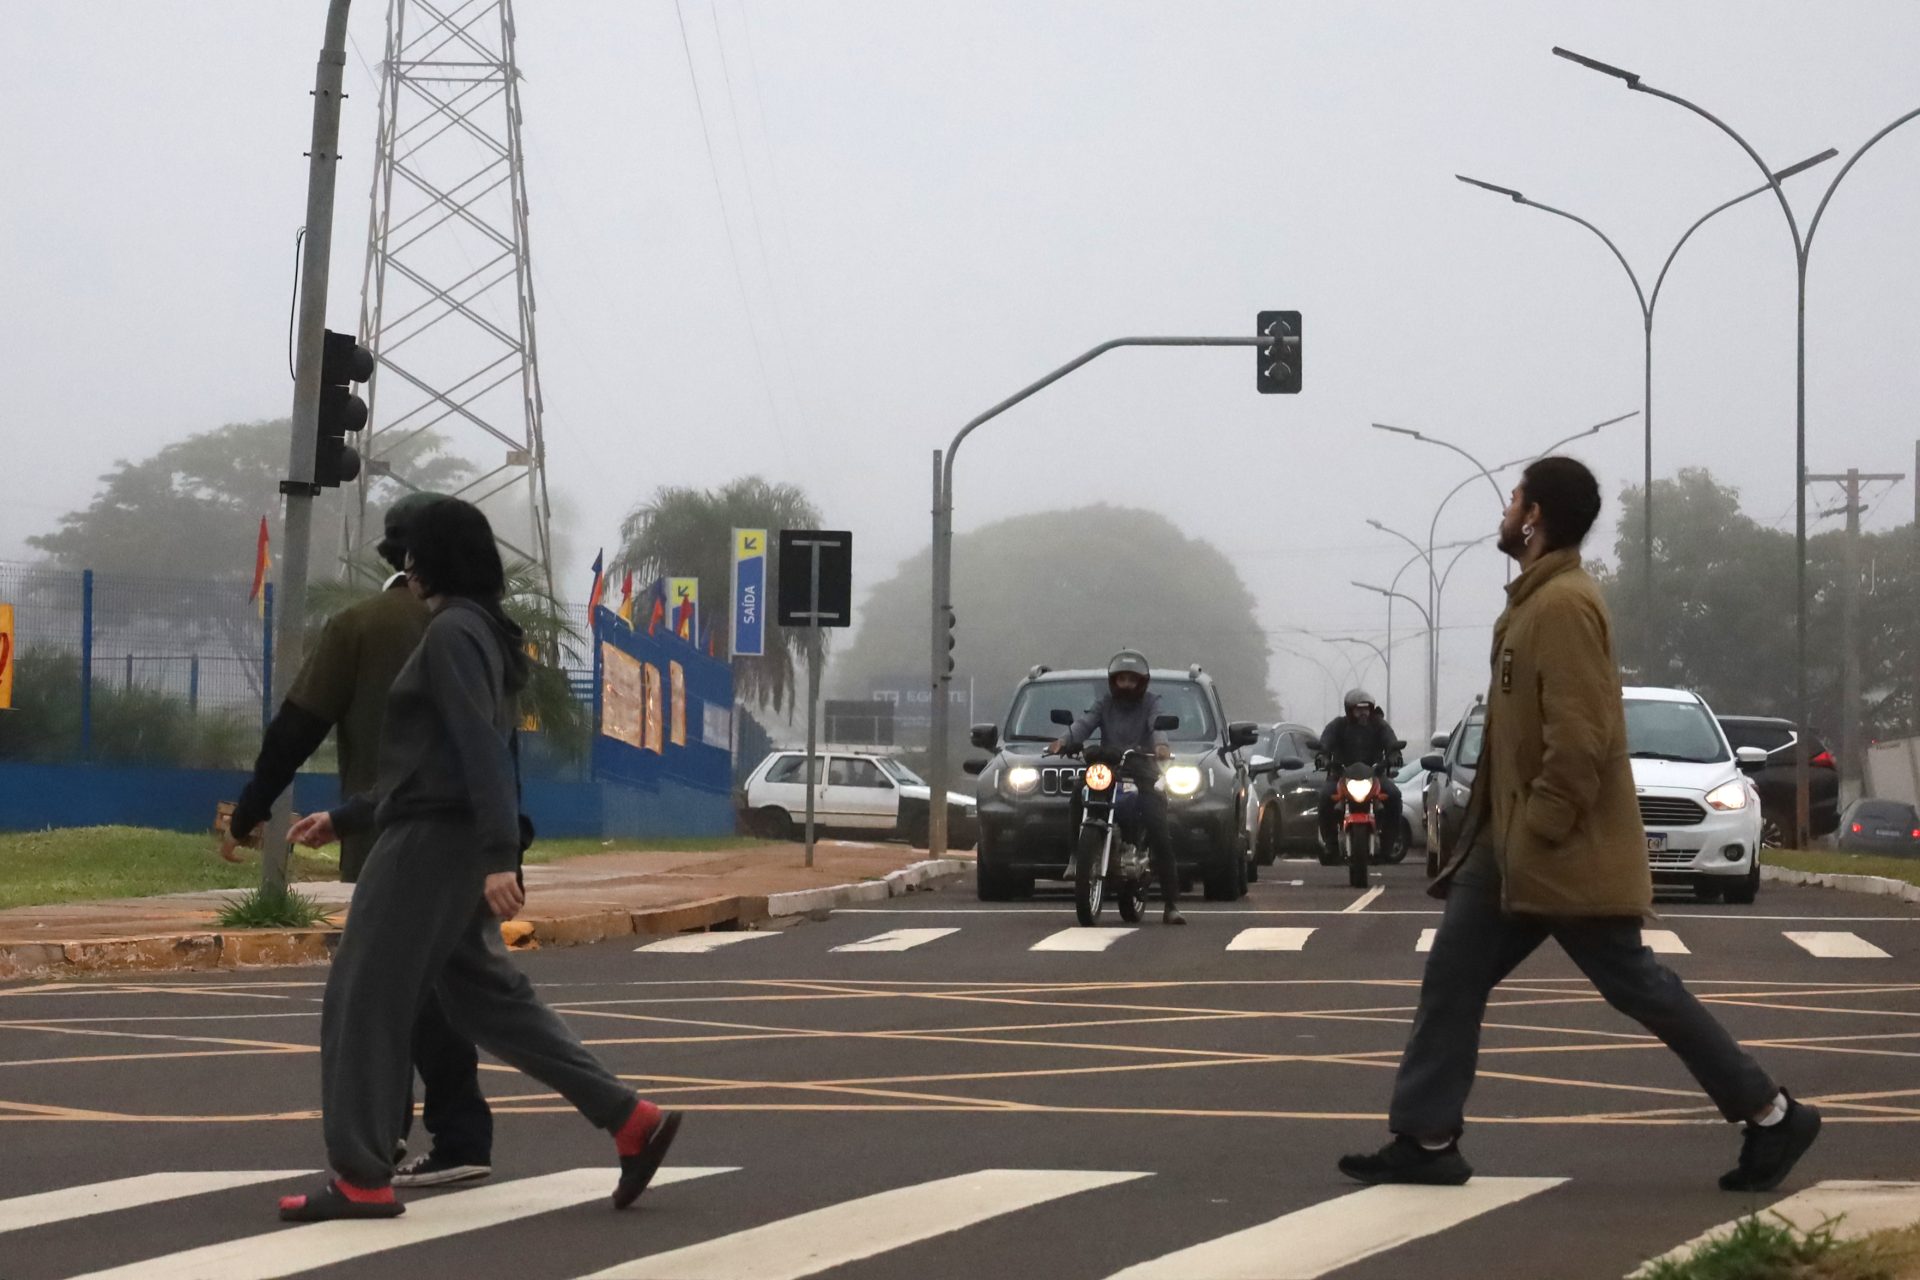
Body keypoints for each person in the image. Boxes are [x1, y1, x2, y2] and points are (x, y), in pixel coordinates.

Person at [1338, 456, 1819, 1192]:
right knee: (1452, 980)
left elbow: (1582, 736)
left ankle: (1771, 1113)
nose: (1504, 510)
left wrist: (1540, 829)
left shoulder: (1562, 607)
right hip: (1513, 845)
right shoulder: (1534, 601)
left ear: (1534, 517)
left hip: (1554, 847)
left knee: (1637, 984)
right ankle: (1427, 1138)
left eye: (1514, 498)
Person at [275, 496, 679, 1221]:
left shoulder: (453, 633)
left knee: (363, 1002)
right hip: (446, 837)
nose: (404, 567)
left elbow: (480, 749)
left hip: (429, 846)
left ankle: (362, 1177)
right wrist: (347, 817)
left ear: (433, 559)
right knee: (488, 1000)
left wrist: (500, 855)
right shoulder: (480, 630)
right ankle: (630, 1119)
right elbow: (440, 758)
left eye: (410, 553)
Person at [222, 493, 496, 1191]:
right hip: (467, 840)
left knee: (379, 998)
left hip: (396, 839)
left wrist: (252, 809)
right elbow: (495, 747)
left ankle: (386, 1147)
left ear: (400, 556)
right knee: (468, 993)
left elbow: (296, 728)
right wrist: (504, 848)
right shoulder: (483, 627)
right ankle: (605, 1117)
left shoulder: (363, 626)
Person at [1047, 650, 1185, 925]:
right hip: (1109, 767)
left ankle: (1171, 904)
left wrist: (1161, 747)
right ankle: (1076, 856)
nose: (1125, 685)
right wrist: (1062, 742)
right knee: (1079, 792)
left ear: (1142, 682)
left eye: (1131, 680)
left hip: (1142, 769)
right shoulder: (1104, 703)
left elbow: (1157, 726)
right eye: (1121, 679)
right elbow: (1083, 725)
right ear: (1113, 681)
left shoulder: (1151, 703)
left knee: (1158, 827)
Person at [1316, 689, 1404, 857]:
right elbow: (1325, 743)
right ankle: (1330, 844)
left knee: (1393, 795)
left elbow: (1391, 741)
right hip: (1340, 775)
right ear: (1350, 710)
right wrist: (1322, 756)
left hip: (1375, 775)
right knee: (1325, 797)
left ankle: (1388, 844)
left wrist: (1394, 754)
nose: (1363, 713)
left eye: (1366, 709)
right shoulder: (1338, 725)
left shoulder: (1379, 725)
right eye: (1358, 709)